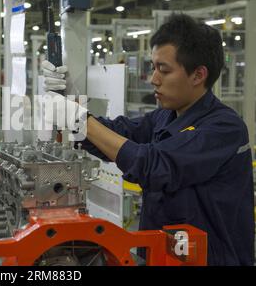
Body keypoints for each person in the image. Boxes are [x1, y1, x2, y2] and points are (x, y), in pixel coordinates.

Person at [42, 14, 255, 266]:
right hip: (160, 253)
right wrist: (72, 102)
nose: (153, 79)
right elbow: (117, 133)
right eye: (153, 68)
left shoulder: (224, 128)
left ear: (198, 75)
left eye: (163, 70)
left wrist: (80, 120)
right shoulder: (166, 115)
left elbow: (154, 166)